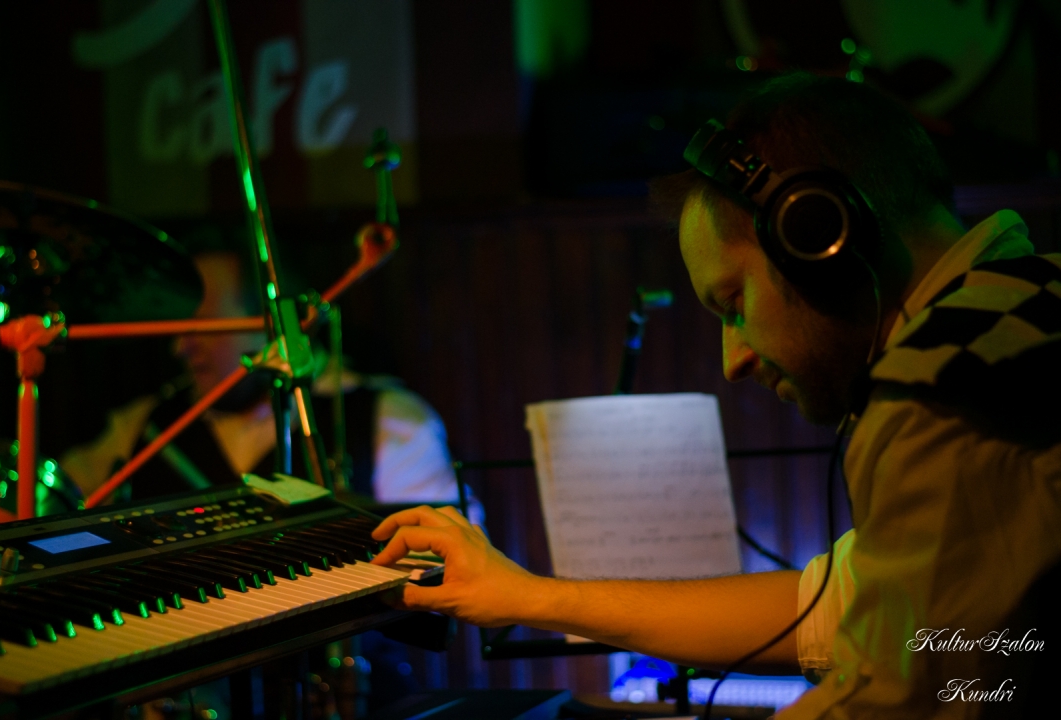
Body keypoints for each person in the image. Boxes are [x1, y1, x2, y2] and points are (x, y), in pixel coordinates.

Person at [370, 72, 1061, 717]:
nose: (732, 361)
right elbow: (828, 609)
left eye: (733, 304)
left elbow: (901, 701)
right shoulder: (1021, 311)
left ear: (817, 237)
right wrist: (526, 595)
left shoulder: (942, 396)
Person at [61, 238, 466, 511]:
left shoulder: (387, 421)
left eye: (200, 325)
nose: (179, 347)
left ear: (267, 322)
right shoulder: (143, 427)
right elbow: (56, 501)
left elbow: (439, 566)